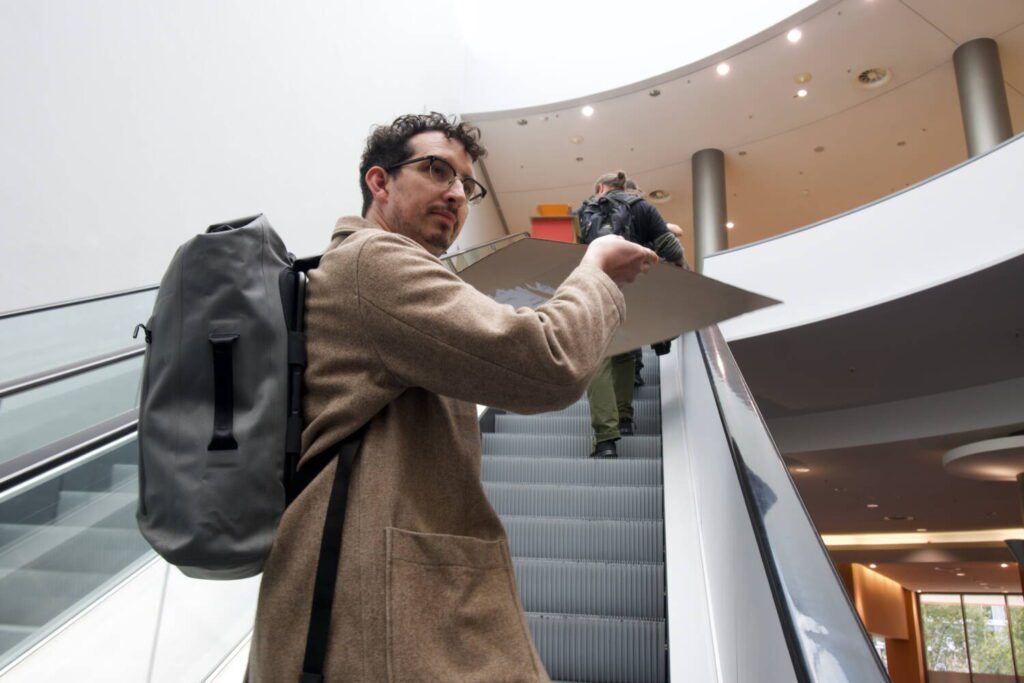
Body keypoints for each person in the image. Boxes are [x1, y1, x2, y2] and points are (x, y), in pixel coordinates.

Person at [246, 113, 658, 682]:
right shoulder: (375, 262)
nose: (455, 193)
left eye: (466, 183)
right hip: (372, 611)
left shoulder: (362, 269)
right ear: (379, 183)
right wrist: (595, 268)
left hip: (360, 595)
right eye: (436, 170)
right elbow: (548, 362)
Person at [579, 171, 685, 458]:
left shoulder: (586, 210)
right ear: (623, 186)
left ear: (601, 187)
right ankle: (625, 420)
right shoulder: (643, 208)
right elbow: (671, 248)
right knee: (626, 352)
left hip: (599, 289)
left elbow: (580, 256)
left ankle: (605, 440)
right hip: (636, 290)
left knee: (600, 359)